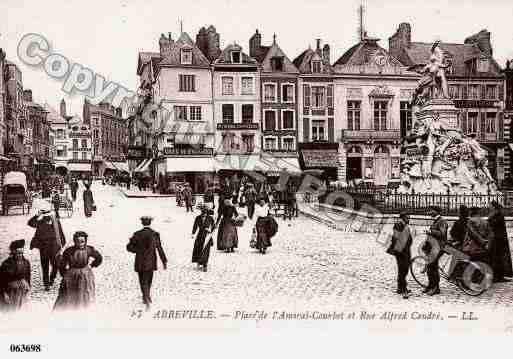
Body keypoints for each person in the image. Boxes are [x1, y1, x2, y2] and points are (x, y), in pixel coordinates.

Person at [53, 231, 102, 311]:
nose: (80, 244)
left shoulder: (89, 250)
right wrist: (65, 274)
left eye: (82, 242)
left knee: (85, 294)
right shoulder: (69, 251)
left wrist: (92, 265)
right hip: (72, 275)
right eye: (77, 242)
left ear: (85, 241)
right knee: (69, 295)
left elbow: (99, 258)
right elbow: (62, 265)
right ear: (74, 241)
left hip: (85, 276)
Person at [127, 216, 168, 310]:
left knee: (142, 280)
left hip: (140, 261)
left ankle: (145, 296)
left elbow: (129, 248)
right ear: (150, 223)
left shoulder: (137, 234)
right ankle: (147, 296)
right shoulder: (155, 234)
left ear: (142, 223)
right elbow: (159, 248)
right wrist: (164, 261)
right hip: (151, 261)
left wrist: (137, 249)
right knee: (149, 279)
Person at [28, 210, 66, 291]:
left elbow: (61, 233)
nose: (48, 218)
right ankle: (46, 284)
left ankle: (52, 278)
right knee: (45, 267)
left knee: (56, 265)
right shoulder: (40, 223)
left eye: (50, 216)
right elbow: (30, 223)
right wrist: (36, 215)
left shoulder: (56, 223)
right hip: (44, 248)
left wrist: (62, 245)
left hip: (54, 248)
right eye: (46, 216)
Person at [423, 206, 448, 296]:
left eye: (431, 211)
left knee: (432, 267)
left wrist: (430, 231)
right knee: (430, 267)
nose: (429, 212)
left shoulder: (442, 221)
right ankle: (430, 285)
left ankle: (436, 287)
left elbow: (442, 233)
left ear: (436, 211)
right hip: (433, 247)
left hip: (439, 247)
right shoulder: (436, 220)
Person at [0, 240, 31, 312]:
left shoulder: (26, 263)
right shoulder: (6, 264)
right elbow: (1, 281)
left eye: (21, 253)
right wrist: (4, 294)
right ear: (13, 252)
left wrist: (28, 292)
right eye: (18, 253)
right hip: (11, 292)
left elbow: (28, 278)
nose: (20, 255)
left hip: (22, 292)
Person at [487, 201, 513, 282]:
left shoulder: (499, 215)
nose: (489, 207)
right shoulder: (496, 214)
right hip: (496, 239)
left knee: (499, 258)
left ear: (494, 207)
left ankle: (499, 276)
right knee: (495, 258)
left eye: (490, 206)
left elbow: (492, 224)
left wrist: (488, 220)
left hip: (499, 240)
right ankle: (496, 275)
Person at [391, 212, 413, 299]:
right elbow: (395, 238)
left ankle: (400, 288)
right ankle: (404, 290)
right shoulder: (398, 225)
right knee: (403, 270)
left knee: (403, 269)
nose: (409, 220)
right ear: (403, 218)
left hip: (406, 250)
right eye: (407, 218)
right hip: (401, 251)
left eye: (409, 218)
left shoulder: (405, 226)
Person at [191, 205, 215, 272]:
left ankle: (205, 264)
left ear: (207, 212)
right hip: (200, 236)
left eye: (205, 211)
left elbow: (214, 227)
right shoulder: (198, 218)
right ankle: (199, 262)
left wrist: (210, 230)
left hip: (207, 236)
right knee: (198, 249)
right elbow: (195, 226)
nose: (204, 212)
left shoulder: (210, 218)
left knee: (206, 250)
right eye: (203, 211)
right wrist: (193, 233)